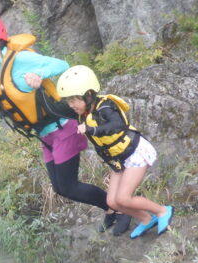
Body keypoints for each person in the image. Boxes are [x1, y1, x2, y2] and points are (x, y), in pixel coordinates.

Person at [0, 15, 132, 234]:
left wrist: (40, 75)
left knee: (69, 186)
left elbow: (62, 65)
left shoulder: (20, 60)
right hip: (45, 136)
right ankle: (110, 209)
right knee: (61, 189)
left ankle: (122, 209)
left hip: (63, 129)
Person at [56, 65, 173, 238]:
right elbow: (55, 108)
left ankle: (163, 211)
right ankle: (147, 219)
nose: (70, 104)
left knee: (124, 198)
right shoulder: (84, 112)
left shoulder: (105, 107)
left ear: (88, 95)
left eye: (74, 99)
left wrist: (92, 130)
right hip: (118, 159)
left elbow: (118, 125)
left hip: (134, 152)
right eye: (69, 100)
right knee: (112, 202)